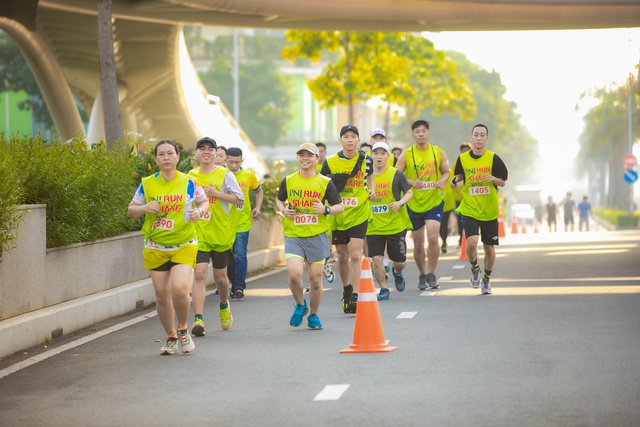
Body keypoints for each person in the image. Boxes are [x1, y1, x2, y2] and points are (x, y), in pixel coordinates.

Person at [127, 139, 209, 355]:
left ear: (177, 157)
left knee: (180, 287)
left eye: (170, 153)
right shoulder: (147, 183)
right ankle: (171, 336)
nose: (166, 158)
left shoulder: (189, 182)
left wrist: (198, 212)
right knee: (162, 294)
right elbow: (131, 210)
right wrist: (145, 207)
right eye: (161, 154)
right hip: (155, 245)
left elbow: (204, 201)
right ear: (155, 159)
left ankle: (183, 328)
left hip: (184, 243)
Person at [276, 142, 344, 329]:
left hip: (317, 236)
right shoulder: (289, 180)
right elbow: (279, 199)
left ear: (317, 159)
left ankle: (313, 315)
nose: (305, 158)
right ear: (297, 158)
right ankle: (300, 305)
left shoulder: (324, 182)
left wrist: (325, 209)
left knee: (315, 279)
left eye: (309, 155)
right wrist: (283, 211)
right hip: (294, 235)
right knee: (294, 274)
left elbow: (340, 206)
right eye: (301, 155)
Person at [188, 137, 244, 338]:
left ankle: (223, 305)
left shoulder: (225, 174)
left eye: (210, 149)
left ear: (215, 153)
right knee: (200, 274)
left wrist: (217, 194)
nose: (206, 152)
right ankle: (198, 319)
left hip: (221, 233)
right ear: (196, 153)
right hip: (199, 232)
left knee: (221, 279)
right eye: (202, 148)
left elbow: (240, 200)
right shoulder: (190, 176)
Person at [320, 125, 374, 313]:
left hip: (359, 211)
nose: (350, 140)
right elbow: (321, 184)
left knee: (356, 254)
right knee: (342, 256)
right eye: (346, 137)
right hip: (338, 213)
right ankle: (347, 289)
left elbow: (370, 175)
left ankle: (356, 296)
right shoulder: (329, 162)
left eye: (353, 136)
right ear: (340, 140)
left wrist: (371, 189)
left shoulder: (367, 160)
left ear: (358, 139)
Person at [451, 124, 508, 295]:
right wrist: (455, 180)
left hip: (489, 210)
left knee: (489, 248)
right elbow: (460, 175)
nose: (479, 138)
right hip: (469, 208)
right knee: (471, 243)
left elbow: (503, 182)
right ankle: (475, 268)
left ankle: (487, 279)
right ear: (471, 137)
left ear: (486, 138)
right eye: (476, 135)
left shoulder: (493, 159)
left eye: (482, 135)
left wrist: (492, 178)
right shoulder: (462, 159)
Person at [395, 119, 450, 290]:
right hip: (414, 203)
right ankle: (422, 274)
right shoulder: (407, 154)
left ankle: (432, 273)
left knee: (433, 238)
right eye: (417, 131)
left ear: (428, 133)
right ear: (413, 134)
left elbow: (446, 172)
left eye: (423, 131)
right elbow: (396, 175)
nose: (420, 134)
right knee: (418, 243)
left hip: (433, 201)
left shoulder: (437, 152)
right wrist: (411, 181)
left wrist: (441, 181)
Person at [366, 141, 413, 300]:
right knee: (376, 259)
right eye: (376, 153)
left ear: (388, 156)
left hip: (395, 225)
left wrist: (400, 203)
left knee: (399, 262)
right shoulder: (366, 176)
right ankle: (384, 289)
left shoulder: (396, 174)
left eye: (382, 153)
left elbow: (409, 193)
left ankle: (397, 272)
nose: (379, 156)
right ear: (371, 156)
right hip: (374, 225)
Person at [226, 147, 264, 299]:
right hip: (225, 223)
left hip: (242, 221)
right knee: (229, 256)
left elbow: (259, 190)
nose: (234, 165)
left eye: (237, 162)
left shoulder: (248, 175)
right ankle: (232, 283)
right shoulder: (221, 175)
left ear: (241, 161)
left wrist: (258, 207)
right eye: (230, 162)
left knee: (240, 254)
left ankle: (239, 287)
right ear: (225, 161)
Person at [454, 142, 472, 246]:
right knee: (460, 221)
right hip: (459, 199)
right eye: (463, 151)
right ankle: (462, 239)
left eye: (467, 151)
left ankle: (469, 240)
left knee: (470, 220)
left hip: (471, 198)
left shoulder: (473, 162)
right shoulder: (457, 163)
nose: (464, 153)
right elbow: (456, 180)